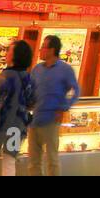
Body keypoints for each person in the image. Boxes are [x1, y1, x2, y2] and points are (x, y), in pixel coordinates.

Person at [0, 39, 34, 176]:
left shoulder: (4, 77)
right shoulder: (28, 78)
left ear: (15, 56)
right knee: (9, 161)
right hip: (18, 125)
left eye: (9, 51)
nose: (6, 53)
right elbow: (31, 102)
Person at [27, 34, 79, 176]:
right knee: (33, 161)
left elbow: (76, 91)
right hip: (34, 120)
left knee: (52, 160)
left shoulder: (65, 69)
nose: (40, 50)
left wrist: (64, 107)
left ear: (52, 50)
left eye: (43, 47)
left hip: (51, 120)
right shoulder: (37, 69)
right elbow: (30, 90)